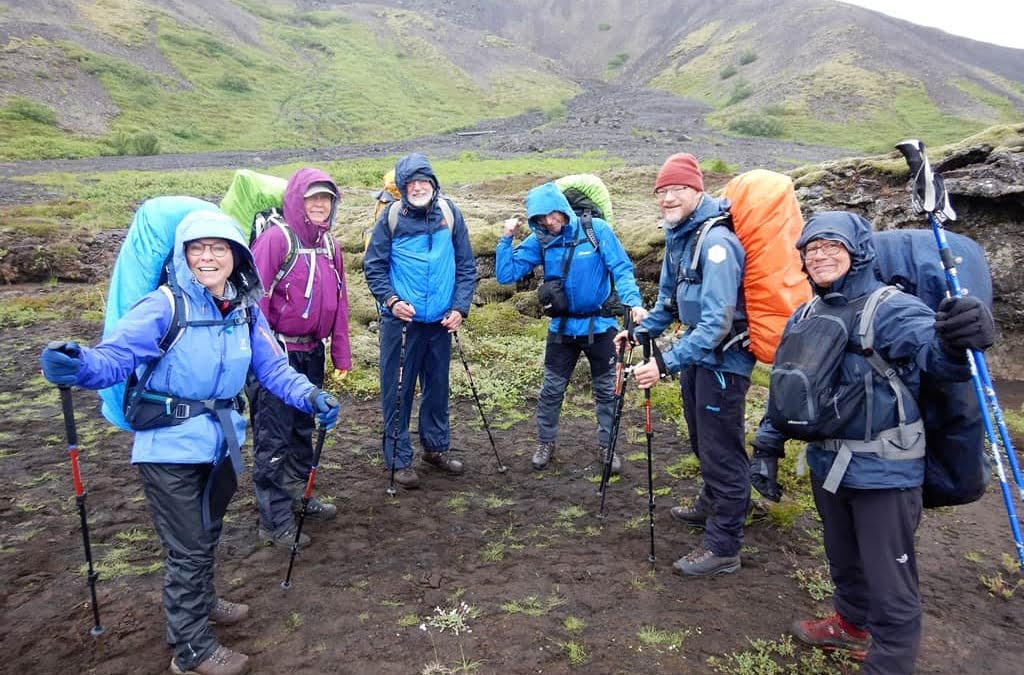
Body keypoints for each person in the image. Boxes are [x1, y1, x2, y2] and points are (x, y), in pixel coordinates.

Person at [39, 209, 340, 675]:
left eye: (219, 247)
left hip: (220, 444)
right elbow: (115, 358)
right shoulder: (164, 306)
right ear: (182, 256)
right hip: (168, 448)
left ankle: (203, 601)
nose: (207, 256)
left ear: (237, 256)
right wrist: (78, 364)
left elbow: (274, 368)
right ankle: (190, 650)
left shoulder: (243, 309)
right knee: (189, 548)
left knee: (209, 532)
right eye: (197, 248)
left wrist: (311, 395)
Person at [753, 211, 993, 673]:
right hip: (828, 465)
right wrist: (767, 445)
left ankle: (888, 664)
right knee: (843, 558)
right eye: (811, 248)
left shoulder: (892, 307)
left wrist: (956, 343)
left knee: (891, 583)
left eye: (832, 246)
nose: (819, 255)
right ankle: (850, 625)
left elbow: (933, 355)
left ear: (859, 251)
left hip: (884, 472)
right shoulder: (806, 312)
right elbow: (787, 386)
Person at [621, 153, 754, 577]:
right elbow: (670, 304)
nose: (668, 198)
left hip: (724, 362)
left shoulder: (716, 243)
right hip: (699, 358)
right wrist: (641, 334)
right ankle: (711, 502)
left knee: (723, 453)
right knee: (702, 441)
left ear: (698, 190)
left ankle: (724, 546)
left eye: (676, 189)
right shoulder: (680, 237)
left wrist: (665, 362)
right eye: (661, 192)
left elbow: (716, 321)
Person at [495, 181, 644, 472]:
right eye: (541, 219)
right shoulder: (540, 240)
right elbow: (505, 274)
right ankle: (545, 442)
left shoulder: (595, 230)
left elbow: (621, 269)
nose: (550, 222)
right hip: (561, 329)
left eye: (552, 214)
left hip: (601, 326)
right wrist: (506, 239)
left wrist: (633, 303)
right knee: (551, 390)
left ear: (562, 208)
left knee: (606, 391)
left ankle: (607, 446)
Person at [249, 167, 351, 547]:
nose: (321, 204)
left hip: (311, 351)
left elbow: (340, 303)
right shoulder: (277, 240)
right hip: (275, 354)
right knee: (273, 437)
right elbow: (253, 302)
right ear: (297, 200)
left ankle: (296, 497)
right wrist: (258, 354)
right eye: (313, 198)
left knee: (300, 431)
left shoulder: (330, 246)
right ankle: (272, 520)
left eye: (327, 198)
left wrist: (341, 353)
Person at [363, 153, 477, 489]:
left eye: (423, 181)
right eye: (410, 183)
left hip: (440, 323)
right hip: (401, 324)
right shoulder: (391, 218)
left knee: (437, 389)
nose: (417, 188)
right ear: (401, 187)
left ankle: (436, 449)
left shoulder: (450, 214)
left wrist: (460, 307)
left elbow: (466, 266)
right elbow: (375, 267)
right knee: (397, 392)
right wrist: (392, 301)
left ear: (434, 184)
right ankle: (398, 460)